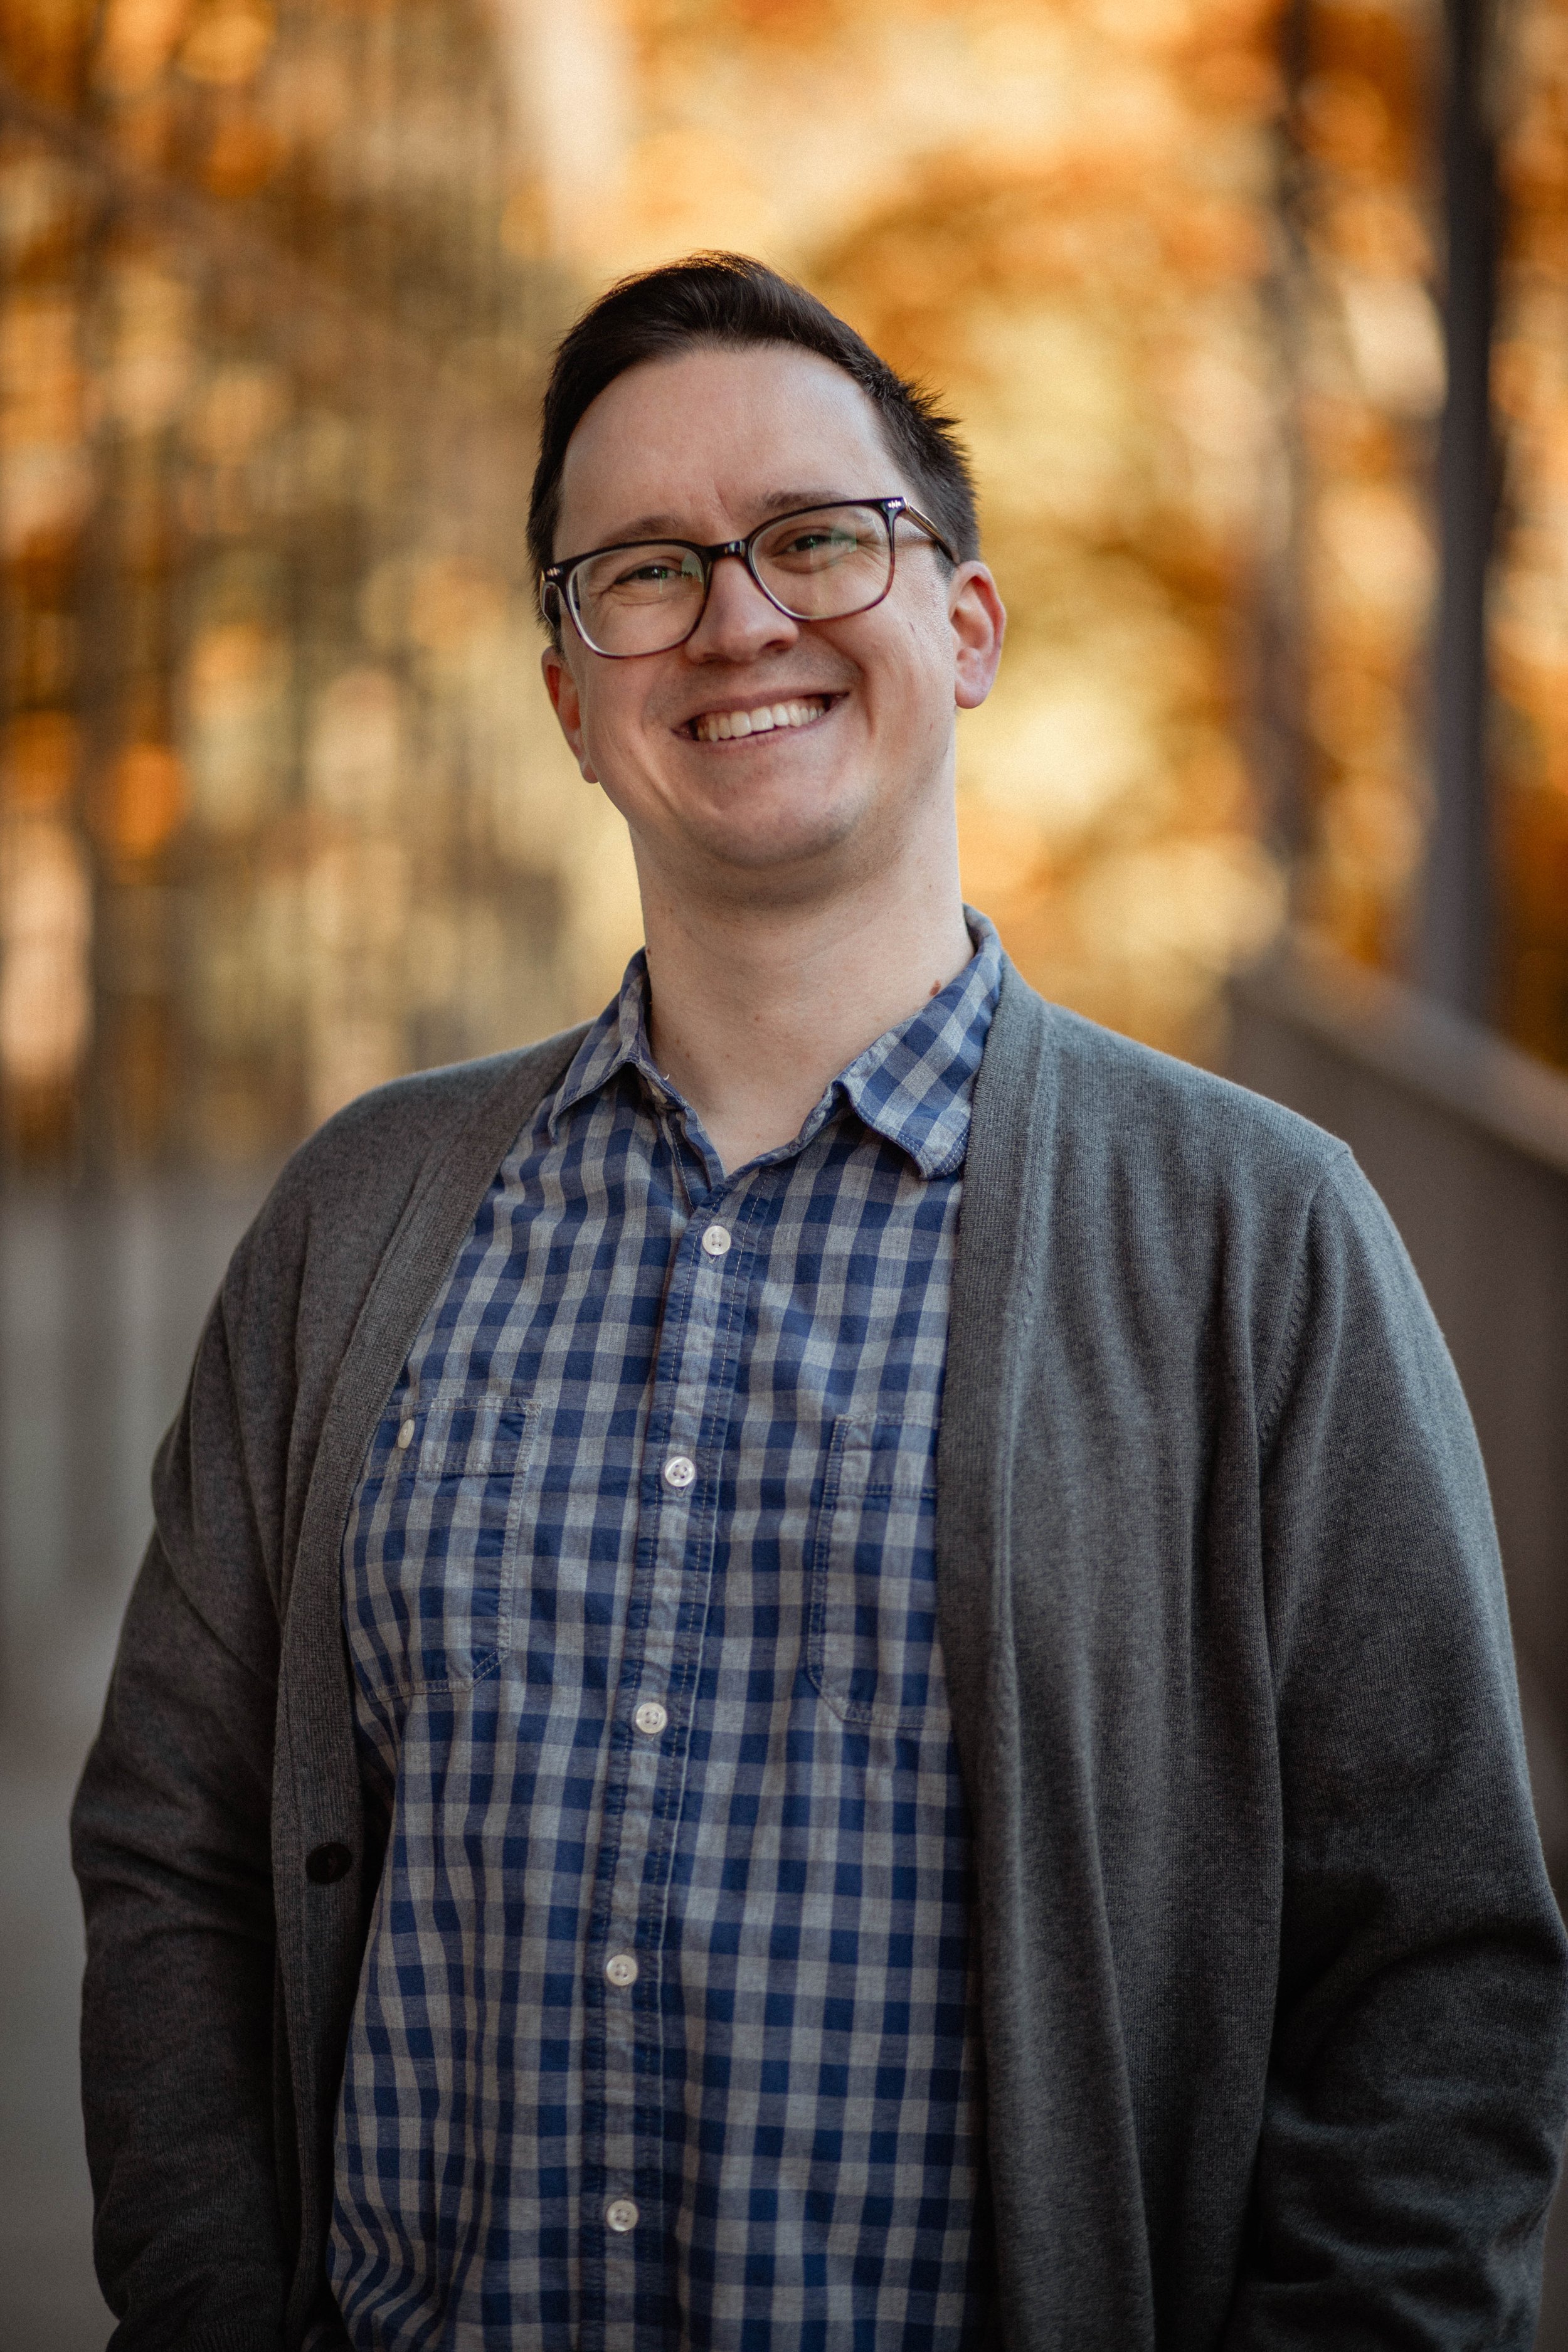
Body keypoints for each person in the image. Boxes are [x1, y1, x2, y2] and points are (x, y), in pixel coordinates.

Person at [73, 252, 1568, 2352]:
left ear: (960, 628)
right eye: (646, 572)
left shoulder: (1256, 1239)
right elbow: (174, 1846)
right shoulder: (361, 1219)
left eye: (813, 539)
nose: (740, 618)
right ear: (571, 702)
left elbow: (1432, 1974)